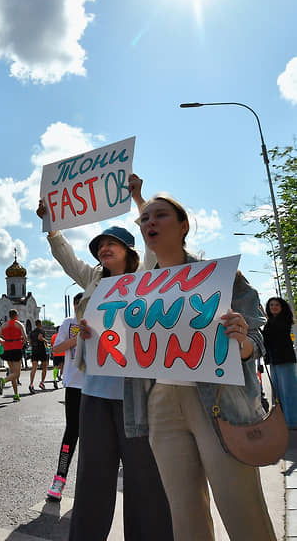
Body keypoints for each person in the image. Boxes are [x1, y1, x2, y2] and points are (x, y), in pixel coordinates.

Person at [122, 193, 276, 540]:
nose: (150, 223)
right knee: (185, 516)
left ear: (183, 225)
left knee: (242, 510)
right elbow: (123, 348)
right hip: (161, 405)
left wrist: (244, 343)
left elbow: (258, 338)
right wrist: (96, 335)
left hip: (219, 403)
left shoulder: (221, 277)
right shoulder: (135, 291)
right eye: (144, 219)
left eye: (160, 216)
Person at [37, 173, 173, 541]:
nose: (103, 249)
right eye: (100, 246)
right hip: (94, 390)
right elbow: (67, 259)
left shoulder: (147, 275)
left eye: (112, 244)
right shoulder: (93, 280)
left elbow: (152, 239)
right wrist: (52, 227)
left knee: (143, 478)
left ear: (129, 251)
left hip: (136, 393)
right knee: (93, 476)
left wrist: (139, 199)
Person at [45, 293, 85, 501]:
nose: (79, 309)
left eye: (83, 305)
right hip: (74, 385)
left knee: (95, 436)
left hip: (96, 387)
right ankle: (59, 479)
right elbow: (56, 348)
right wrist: (75, 339)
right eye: (76, 305)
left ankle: (90, 484)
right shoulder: (68, 323)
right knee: (71, 433)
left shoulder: (100, 321)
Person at [263, 297, 297, 428]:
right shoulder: (270, 321)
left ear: (282, 307)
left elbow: (275, 331)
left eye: (277, 305)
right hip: (274, 361)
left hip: (284, 359)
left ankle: (293, 420)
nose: (274, 307)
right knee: (278, 391)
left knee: (288, 391)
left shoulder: (284, 320)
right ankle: (282, 419)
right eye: (271, 305)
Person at [0, 310, 28, 401]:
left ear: (9, 316)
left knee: (13, 373)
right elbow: (25, 337)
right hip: (16, 349)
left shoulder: (4, 325)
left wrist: (3, 342)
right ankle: (3, 381)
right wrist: (21, 342)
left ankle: (16, 395)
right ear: (16, 315)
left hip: (7, 350)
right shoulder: (19, 324)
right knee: (17, 374)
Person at [29, 320, 48, 392]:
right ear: (40, 324)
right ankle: (42, 383)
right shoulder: (41, 331)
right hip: (41, 350)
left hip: (34, 350)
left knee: (34, 367)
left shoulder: (32, 332)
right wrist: (45, 341)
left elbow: (30, 342)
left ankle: (31, 384)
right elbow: (40, 338)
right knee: (44, 366)